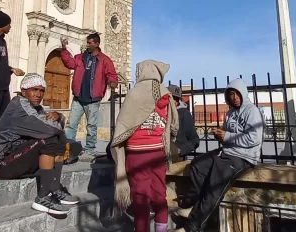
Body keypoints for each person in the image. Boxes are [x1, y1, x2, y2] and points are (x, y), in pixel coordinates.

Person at [174, 78, 263, 232]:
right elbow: (229, 134)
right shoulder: (230, 112)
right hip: (228, 151)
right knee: (196, 166)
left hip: (243, 157)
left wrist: (227, 136)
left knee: (213, 187)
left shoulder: (251, 111)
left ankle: (193, 226)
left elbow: (255, 138)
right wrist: (220, 134)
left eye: (236, 94)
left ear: (243, 93)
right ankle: (193, 201)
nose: (234, 98)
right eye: (230, 95)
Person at [0, 73, 81, 215]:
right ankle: (43, 197)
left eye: (41, 90)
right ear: (24, 91)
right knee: (49, 139)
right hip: (1, 166)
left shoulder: (36, 107)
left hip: (19, 158)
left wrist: (57, 116)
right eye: (34, 90)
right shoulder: (19, 106)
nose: (38, 94)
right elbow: (50, 128)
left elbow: (53, 127)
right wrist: (61, 118)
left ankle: (54, 189)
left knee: (58, 138)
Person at [111, 60, 179, 232]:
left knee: (140, 198)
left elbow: (123, 124)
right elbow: (174, 125)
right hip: (158, 153)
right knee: (159, 194)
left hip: (137, 154)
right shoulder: (165, 93)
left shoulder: (134, 93)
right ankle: (161, 229)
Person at [60, 33, 118, 160]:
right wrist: (64, 49)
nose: (88, 44)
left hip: (93, 99)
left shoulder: (104, 60)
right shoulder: (80, 57)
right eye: (87, 42)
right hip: (78, 98)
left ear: (97, 44)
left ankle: (89, 149)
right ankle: (68, 147)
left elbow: (111, 73)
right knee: (71, 124)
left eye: (90, 42)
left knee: (91, 125)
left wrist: (112, 81)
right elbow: (69, 63)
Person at [167, 85, 200, 161]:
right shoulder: (159, 113)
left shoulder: (184, 114)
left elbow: (195, 140)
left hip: (176, 158)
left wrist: (180, 150)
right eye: (171, 98)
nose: (174, 101)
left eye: (176, 99)